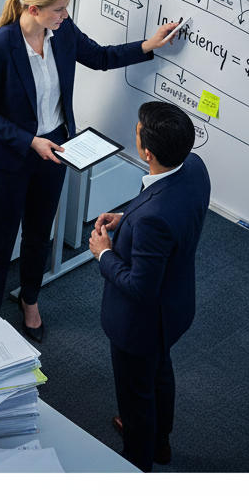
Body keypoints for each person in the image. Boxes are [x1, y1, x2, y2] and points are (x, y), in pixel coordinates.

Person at [0, 0, 179, 341]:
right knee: (0, 241)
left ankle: (30, 300)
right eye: (59, 10)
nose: (65, 16)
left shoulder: (62, 33)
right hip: (9, 156)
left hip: (54, 150)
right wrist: (29, 140)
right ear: (33, 9)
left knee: (39, 234)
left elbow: (99, 56)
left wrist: (148, 46)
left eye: (66, 8)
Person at [89, 101, 210, 472]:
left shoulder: (153, 222)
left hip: (139, 324)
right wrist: (128, 219)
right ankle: (161, 444)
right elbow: (169, 213)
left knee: (136, 398)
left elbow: (140, 287)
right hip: (175, 308)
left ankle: (138, 462)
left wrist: (103, 254)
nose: (136, 130)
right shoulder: (194, 168)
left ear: (147, 152)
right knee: (160, 373)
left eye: (139, 130)